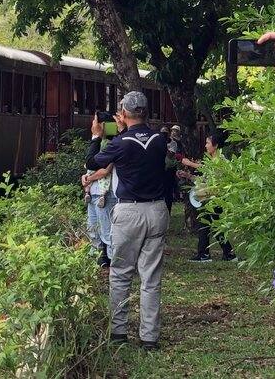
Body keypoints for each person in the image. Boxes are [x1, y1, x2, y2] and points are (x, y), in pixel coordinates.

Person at [86, 91, 169, 350]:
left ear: (122, 113)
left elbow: (92, 162)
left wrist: (97, 135)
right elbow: (141, 141)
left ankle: (119, 332)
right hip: (157, 211)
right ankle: (149, 338)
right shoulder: (160, 140)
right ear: (145, 111)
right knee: (151, 278)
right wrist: (123, 130)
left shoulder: (119, 143)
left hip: (129, 212)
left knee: (121, 274)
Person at [177, 132, 236, 262]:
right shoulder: (211, 160)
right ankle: (224, 254)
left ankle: (210, 254)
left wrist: (190, 164)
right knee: (210, 225)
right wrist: (188, 176)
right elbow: (204, 180)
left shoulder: (221, 161)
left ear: (215, 145)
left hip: (215, 198)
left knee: (211, 225)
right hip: (207, 197)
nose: (205, 146)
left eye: (208, 143)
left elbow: (209, 170)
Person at [82, 157, 115, 267]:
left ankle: (113, 261)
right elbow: (88, 169)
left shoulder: (111, 146)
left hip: (106, 195)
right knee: (93, 227)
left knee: (107, 229)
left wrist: (89, 178)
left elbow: (105, 171)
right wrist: (85, 178)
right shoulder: (94, 152)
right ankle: (98, 256)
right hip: (92, 194)